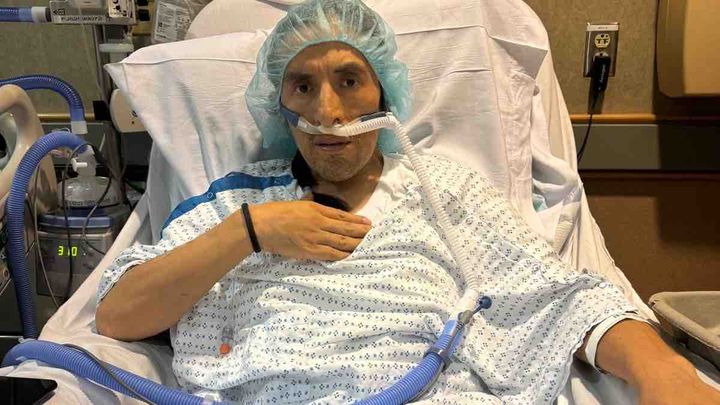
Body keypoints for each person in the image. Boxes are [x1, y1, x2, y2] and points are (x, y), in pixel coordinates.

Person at [96, 0, 720, 403]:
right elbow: (119, 316)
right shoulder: (236, 202)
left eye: (349, 81)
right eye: (303, 86)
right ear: (278, 105)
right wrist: (251, 232)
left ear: (385, 95)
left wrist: (662, 372)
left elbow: (558, 296)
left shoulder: (441, 192)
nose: (327, 111)